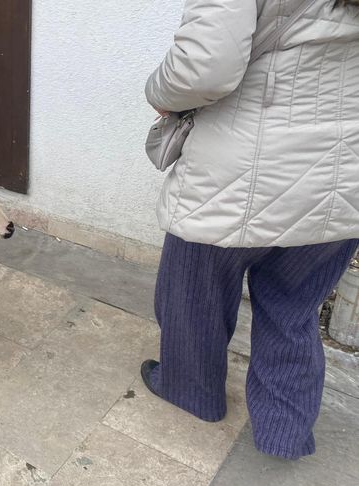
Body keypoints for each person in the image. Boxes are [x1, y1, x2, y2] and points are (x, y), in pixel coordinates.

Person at [141, 0, 359, 460]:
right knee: (293, 312)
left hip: (233, 176)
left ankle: (191, 394)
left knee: (191, 298)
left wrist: (157, 92)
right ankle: (285, 433)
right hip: (342, 177)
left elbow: (204, 67)